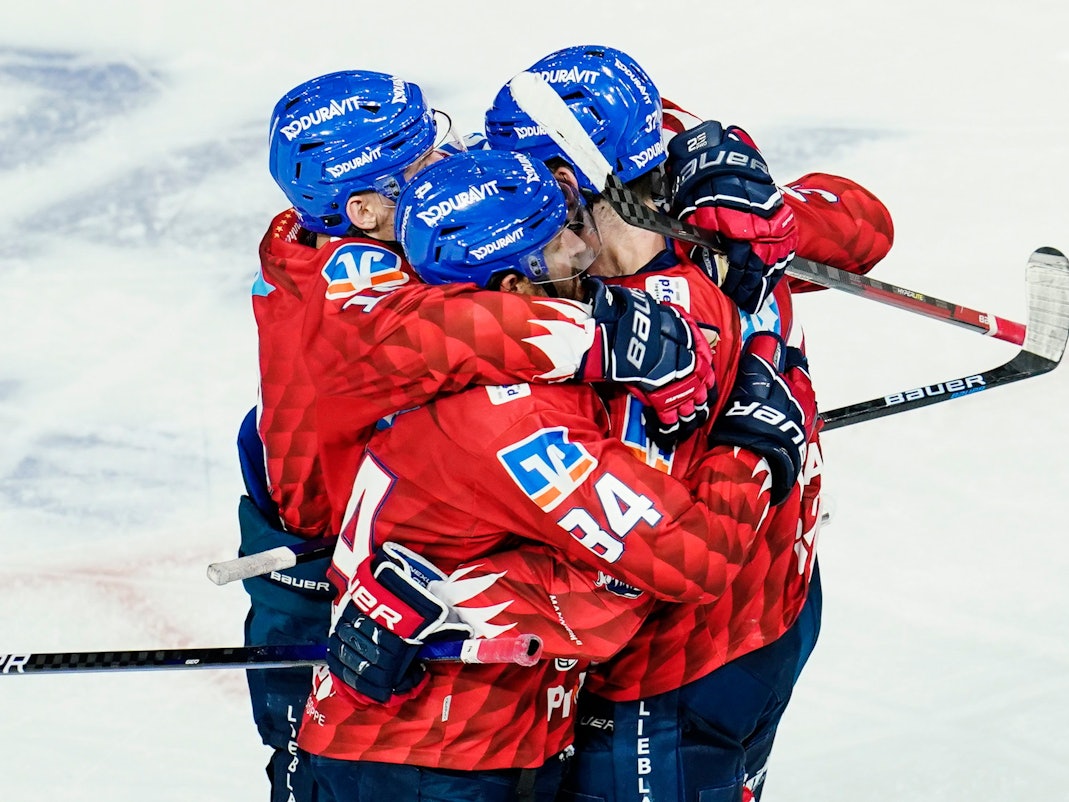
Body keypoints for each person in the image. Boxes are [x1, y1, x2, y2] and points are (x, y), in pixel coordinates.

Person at [239, 68, 719, 802]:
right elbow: (427, 336)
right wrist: (599, 334)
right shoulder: (345, 282)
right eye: (421, 162)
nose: (449, 162)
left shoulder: (362, 232)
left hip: (399, 531)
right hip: (316, 565)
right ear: (363, 207)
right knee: (317, 766)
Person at [297, 147, 819, 802]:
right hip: (443, 757)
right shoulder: (518, 424)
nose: (581, 248)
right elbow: (687, 561)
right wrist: (749, 446)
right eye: (556, 242)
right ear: (512, 288)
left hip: (435, 741)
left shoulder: (424, 325)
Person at [481, 44, 892, 801]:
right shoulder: (684, 191)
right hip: (775, 601)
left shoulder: (588, 312)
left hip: (670, 663)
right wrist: (775, 219)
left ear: (571, 176)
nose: (506, 197)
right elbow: (862, 229)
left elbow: (863, 228)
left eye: (525, 177)